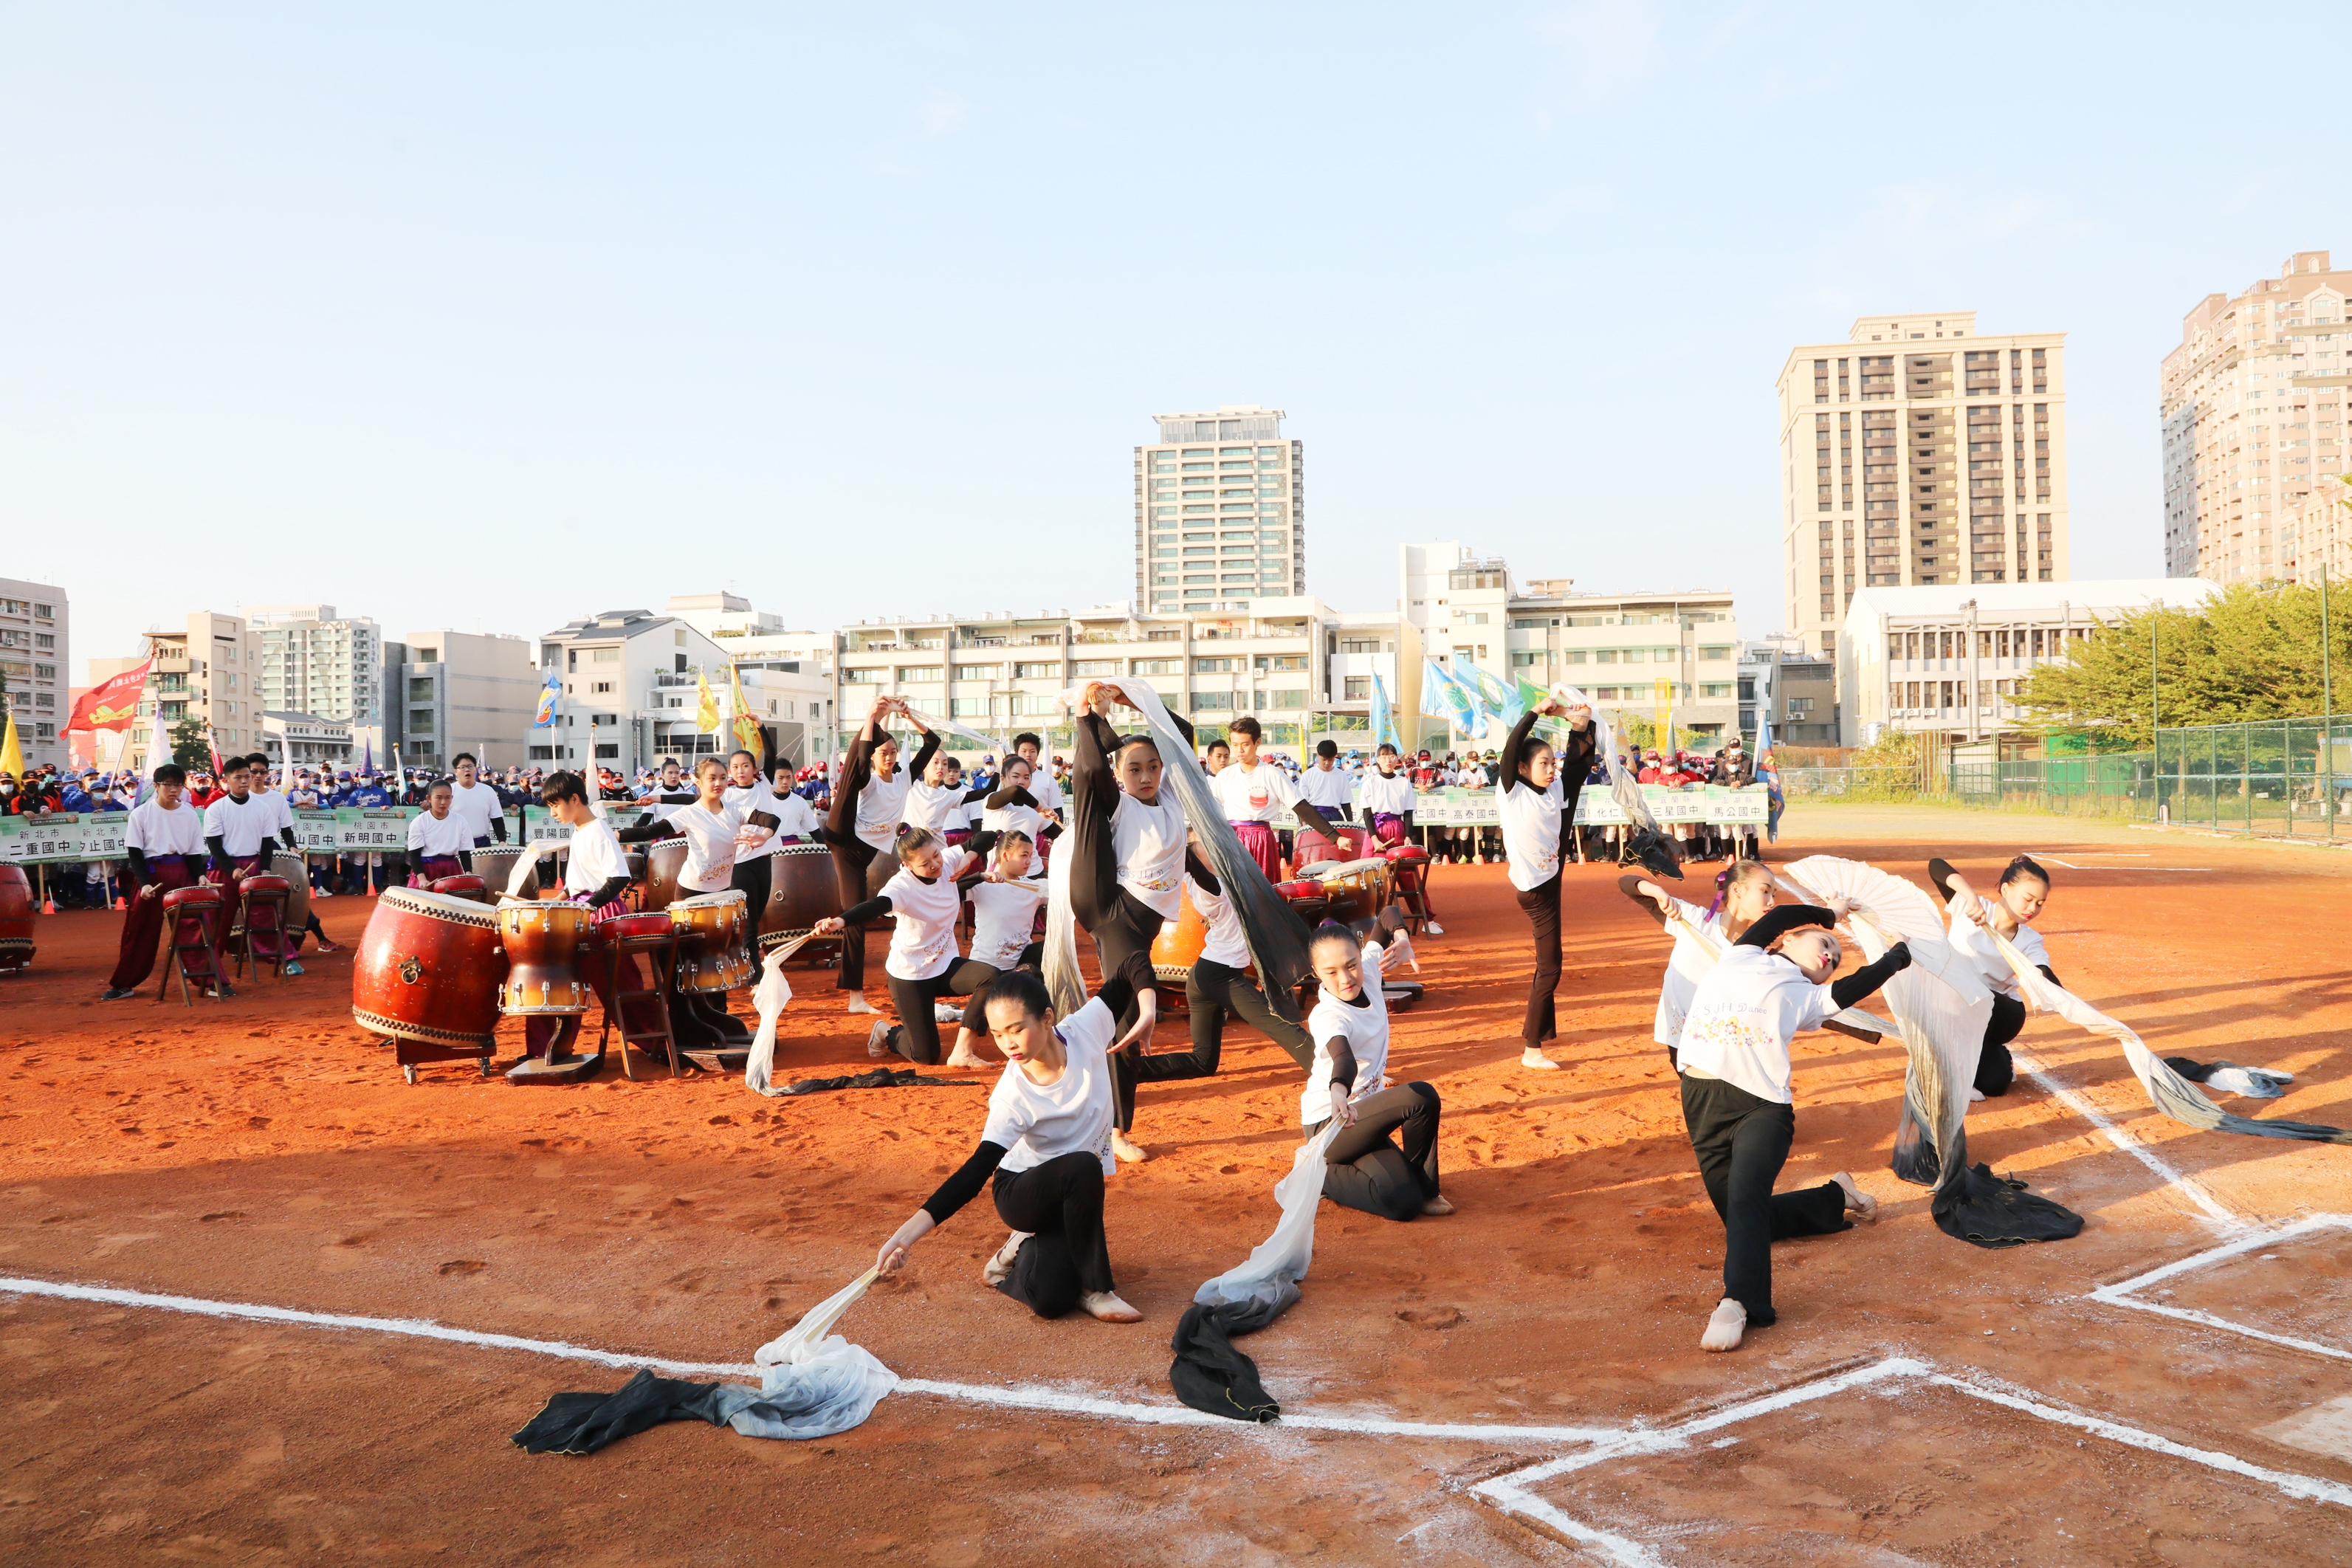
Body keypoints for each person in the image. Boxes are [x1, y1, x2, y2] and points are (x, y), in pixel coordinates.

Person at [1675, 904, 1908, 1352]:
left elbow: (1853, 986)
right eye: (1825, 943)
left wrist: (1894, 959)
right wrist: (1828, 915)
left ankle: (1737, 1304)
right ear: (1787, 940)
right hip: (1702, 1102)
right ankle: (1835, 1197)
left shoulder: (1810, 999)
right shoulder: (1742, 955)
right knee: (1741, 1217)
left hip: (1762, 1109)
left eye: (1836, 959)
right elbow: (1779, 914)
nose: (1831, 955)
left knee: (1746, 1203)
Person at [870, 968, 1144, 1323]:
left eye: (1016, 1030)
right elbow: (975, 1172)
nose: (1007, 1044)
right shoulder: (1013, 1095)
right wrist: (905, 1236)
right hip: (1023, 1193)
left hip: (1069, 1192)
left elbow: (1131, 966)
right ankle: (1096, 1289)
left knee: (1051, 1301)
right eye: (998, 1034)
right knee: (1082, 1165)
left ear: (1047, 1018)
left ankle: (1010, 1257)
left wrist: (1149, 1009)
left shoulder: (1084, 1030)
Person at [1067, 681, 1193, 1163]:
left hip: (1138, 923)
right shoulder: (1121, 805)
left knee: (1115, 1016)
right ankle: (1117, 1132)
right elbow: (1094, 769)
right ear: (1121, 774)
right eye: (1134, 768)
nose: (1146, 776)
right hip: (1108, 906)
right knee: (1128, 1021)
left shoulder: (1173, 800)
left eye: (1153, 767)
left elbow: (1182, 733)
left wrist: (1131, 701)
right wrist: (1091, 716)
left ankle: (1082, 1091)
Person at [1299, 922, 1448, 1221]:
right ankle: (1428, 1191)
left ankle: (1327, 1178)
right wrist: (1339, 1091)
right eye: (1331, 972)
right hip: (1331, 1123)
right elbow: (1344, 1058)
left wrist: (1402, 937)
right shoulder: (1328, 1014)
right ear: (1316, 972)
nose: (1345, 979)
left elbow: (1386, 915)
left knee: (1402, 1203)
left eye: (1351, 965)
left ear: (1360, 955)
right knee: (1420, 1097)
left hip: (1364, 1118)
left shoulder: (1369, 970)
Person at [518, 771, 654, 1068]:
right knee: (555, 976)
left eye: (555, 805)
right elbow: (578, 881)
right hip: (581, 912)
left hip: (600, 917)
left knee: (620, 985)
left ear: (574, 799)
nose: (553, 813)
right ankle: (544, 1049)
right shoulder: (579, 830)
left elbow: (619, 877)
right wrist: (560, 898)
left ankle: (653, 1041)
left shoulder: (598, 830)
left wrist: (587, 907)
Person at [614, 757, 746, 1050]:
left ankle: (713, 1012)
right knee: (687, 957)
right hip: (691, 893)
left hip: (721, 890)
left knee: (715, 953)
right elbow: (649, 831)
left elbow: (767, 819)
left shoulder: (734, 807)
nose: (719, 783)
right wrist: (616, 835)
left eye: (722, 777)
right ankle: (687, 1020)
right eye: (712, 778)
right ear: (697, 782)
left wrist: (763, 833)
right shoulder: (690, 812)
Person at [1496, 697, 1598, 1072]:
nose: (1551, 769)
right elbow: (1511, 748)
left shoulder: (1555, 789)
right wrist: (1536, 712)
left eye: (1553, 763)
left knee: (1549, 964)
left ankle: (1539, 1036)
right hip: (1535, 891)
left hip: (1554, 874)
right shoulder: (1512, 792)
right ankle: (1532, 1048)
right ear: (1523, 768)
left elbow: (1578, 763)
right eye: (1543, 763)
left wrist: (1577, 720)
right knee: (1551, 966)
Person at [823, 695, 935, 1012]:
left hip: (863, 855)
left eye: (893, 752)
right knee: (855, 920)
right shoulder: (868, 780)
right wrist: (872, 717)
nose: (889, 757)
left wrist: (910, 717)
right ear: (874, 756)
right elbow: (860, 762)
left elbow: (932, 742)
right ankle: (855, 998)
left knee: (858, 915)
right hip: (844, 841)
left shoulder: (904, 779)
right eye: (883, 753)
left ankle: (855, 997)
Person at [1928, 856, 2054, 1100]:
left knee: (1972, 994)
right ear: (2005, 890)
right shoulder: (1970, 908)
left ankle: (1961, 1067)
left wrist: (2074, 1006)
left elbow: (2044, 973)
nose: (2033, 909)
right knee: (1994, 1084)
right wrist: (1971, 897)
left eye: (2040, 903)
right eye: (2028, 899)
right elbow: (1936, 866)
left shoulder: (2030, 940)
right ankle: (1973, 1059)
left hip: (2002, 1015)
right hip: (1960, 1009)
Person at [101, 763, 212, 1000]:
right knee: (139, 929)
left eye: (178, 785)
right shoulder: (141, 814)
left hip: (182, 874)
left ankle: (209, 981)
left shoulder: (189, 814)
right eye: (168, 784)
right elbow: (135, 852)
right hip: (151, 876)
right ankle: (124, 983)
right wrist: (144, 883)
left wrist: (200, 875)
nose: (173, 789)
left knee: (193, 927)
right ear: (156, 786)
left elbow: (194, 854)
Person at [943, 828, 1049, 1068]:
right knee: (989, 979)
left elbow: (1068, 893)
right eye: (1023, 855)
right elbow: (951, 890)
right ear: (1005, 856)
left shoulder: (1035, 888)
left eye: (1031, 855)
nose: (1029, 861)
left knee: (1049, 949)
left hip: (1018, 967)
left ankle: (1043, 1036)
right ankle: (962, 1051)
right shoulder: (984, 886)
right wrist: (980, 876)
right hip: (986, 970)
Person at [1210, 715, 1342, 882]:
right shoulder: (1225, 776)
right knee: (1233, 890)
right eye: (1235, 745)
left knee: (1264, 889)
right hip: (1231, 839)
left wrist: (1335, 837)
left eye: (1245, 744)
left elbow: (1300, 806)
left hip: (1261, 840)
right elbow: (1209, 809)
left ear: (1257, 743)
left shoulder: (1272, 774)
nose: (1239, 750)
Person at [202, 758, 297, 974]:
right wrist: (232, 869)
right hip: (224, 868)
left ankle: (285, 958)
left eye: (247, 776)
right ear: (226, 780)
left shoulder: (262, 808)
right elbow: (214, 845)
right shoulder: (216, 809)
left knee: (266, 915)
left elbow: (267, 842)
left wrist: (265, 870)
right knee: (219, 919)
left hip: (254, 867)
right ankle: (209, 964)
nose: (245, 781)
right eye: (238, 777)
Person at [724, 751, 819, 921]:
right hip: (743, 858)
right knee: (748, 911)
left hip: (776, 851)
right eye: (780, 778)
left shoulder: (791, 799)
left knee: (779, 897)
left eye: (788, 777)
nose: (785, 782)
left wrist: (827, 849)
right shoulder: (731, 795)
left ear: (755, 769)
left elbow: (813, 829)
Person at [405, 780, 475, 884]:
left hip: (451, 869)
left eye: (448, 798)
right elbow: (415, 855)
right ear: (429, 798)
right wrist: (422, 879)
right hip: (426, 870)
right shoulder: (419, 822)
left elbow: (464, 852)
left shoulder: (460, 821)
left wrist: (468, 873)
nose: (443, 802)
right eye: (438, 798)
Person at [447, 752, 509, 850]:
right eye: (463, 767)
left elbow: (497, 818)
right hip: (456, 844)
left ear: (475, 770)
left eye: (470, 766)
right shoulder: (448, 791)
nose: (467, 770)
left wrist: (502, 840)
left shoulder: (488, 791)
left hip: (482, 843)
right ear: (456, 771)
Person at [1300, 738, 1357, 824]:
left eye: (1330, 760)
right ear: (1318, 755)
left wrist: (1350, 823)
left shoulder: (1341, 775)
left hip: (1335, 817)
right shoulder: (1308, 775)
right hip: (1314, 816)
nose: (1327, 763)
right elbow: (1302, 803)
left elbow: (1346, 803)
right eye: (1324, 759)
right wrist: (1303, 822)